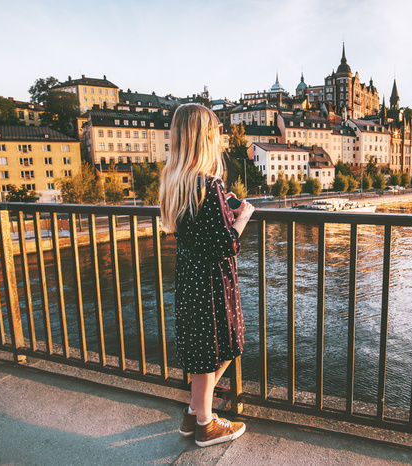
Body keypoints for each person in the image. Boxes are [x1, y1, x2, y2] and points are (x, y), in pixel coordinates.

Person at [159, 103, 254, 447]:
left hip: (189, 277)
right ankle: (205, 422)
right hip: (212, 280)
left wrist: (220, 206)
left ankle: (194, 413)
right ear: (204, 138)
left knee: (204, 349)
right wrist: (241, 216)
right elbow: (225, 243)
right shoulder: (208, 183)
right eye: (215, 131)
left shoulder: (177, 182)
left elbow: (196, 230)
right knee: (226, 344)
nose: (219, 137)